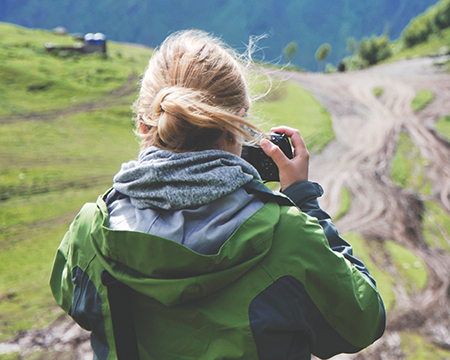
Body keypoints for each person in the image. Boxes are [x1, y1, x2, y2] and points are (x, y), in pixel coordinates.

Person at [50, 30, 385, 360]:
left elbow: (73, 300)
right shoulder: (287, 235)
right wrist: (303, 201)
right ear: (238, 125)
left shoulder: (91, 231)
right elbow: (362, 321)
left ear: (143, 125)